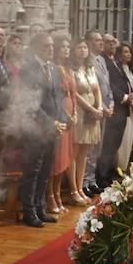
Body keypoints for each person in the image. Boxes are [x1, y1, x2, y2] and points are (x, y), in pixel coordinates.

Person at [16, 34, 69, 228]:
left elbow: (58, 97)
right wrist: (50, 122)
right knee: (33, 170)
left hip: (53, 128)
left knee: (46, 169)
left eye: (52, 46)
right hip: (35, 128)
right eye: (46, 46)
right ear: (36, 47)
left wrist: (61, 120)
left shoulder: (54, 68)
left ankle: (40, 208)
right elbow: (30, 103)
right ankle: (29, 211)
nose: (51, 49)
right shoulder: (28, 69)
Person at [46, 35, 76, 216]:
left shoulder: (68, 68)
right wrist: (66, 116)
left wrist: (75, 114)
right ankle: (49, 195)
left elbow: (73, 93)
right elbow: (57, 96)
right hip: (59, 115)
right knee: (55, 160)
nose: (65, 50)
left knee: (65, 159)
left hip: (70, 114)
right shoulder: (54, 69)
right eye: (62, 47)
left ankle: (57, 193)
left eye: (67, 47)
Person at [69, 40, 102, 203]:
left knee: (84, 152)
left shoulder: (89, 67)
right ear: (74, 51)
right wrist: (92, 109)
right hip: (81, 111)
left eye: (85, 47)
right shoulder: (72, 69)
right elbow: (74, 93)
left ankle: (81, 187)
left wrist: (100, 107)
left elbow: (97, 89)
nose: (83, 50)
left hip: (93, 111)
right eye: (79, 47)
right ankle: (73, 189)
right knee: (75, 152)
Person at [96, 35, 131, 185]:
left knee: (115, 144)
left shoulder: (114, 60)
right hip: (114, 107)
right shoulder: (103, 60)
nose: (112, 45)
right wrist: (123, 97)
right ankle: (102, 175)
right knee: (108, 144)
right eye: (108, 42)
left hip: (122, 108)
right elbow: (109, 83)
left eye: (114, 42)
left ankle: (110, 172)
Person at [115, 43, 133, 171]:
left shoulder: (131, 68)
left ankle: (125, 166)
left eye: (129, 52)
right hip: (125, 107)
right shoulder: (118, 69)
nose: (128, 54)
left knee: (130, 136)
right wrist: (131, 102)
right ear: (119, 54)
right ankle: (119, 166)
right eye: (125, 52)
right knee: (124, 138)